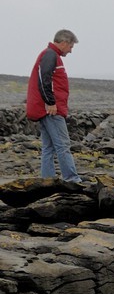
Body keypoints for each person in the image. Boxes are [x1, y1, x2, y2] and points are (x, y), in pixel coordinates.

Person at [26, 29, 82, 185]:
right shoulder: (51, 55)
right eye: (71, 46)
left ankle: (48, 181)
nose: (70, 50)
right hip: (51, 110)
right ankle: (72, 179)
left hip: (46, 109)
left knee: (48, 147)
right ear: (64, 42)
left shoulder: (50, 54)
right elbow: (44, 79)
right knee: (63, 145)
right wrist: (50, 102)